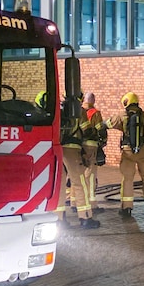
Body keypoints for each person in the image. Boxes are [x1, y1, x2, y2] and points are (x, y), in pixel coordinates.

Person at [103, 92, 144, 218]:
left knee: (128, 179)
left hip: (128, 151)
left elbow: (106, 124)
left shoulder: (122, 115)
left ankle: (126, 208)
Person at [58, 93, 100, 229]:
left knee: (60, 183)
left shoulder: (59, 109)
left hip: (58, 149)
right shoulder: (79, 111)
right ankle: (85, 217)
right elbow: (87, 130)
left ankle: (59, 217)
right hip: (72, 149)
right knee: (79, 182)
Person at [82, 93, 107, 203]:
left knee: (79, 172)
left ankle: (76, 199)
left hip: (78, 146)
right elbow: (100, 129)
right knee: (91, 173)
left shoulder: (78, 111)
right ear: (93, 100)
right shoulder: (95, 113)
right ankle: (91, 201)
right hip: (91, 145)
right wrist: (103, 142)